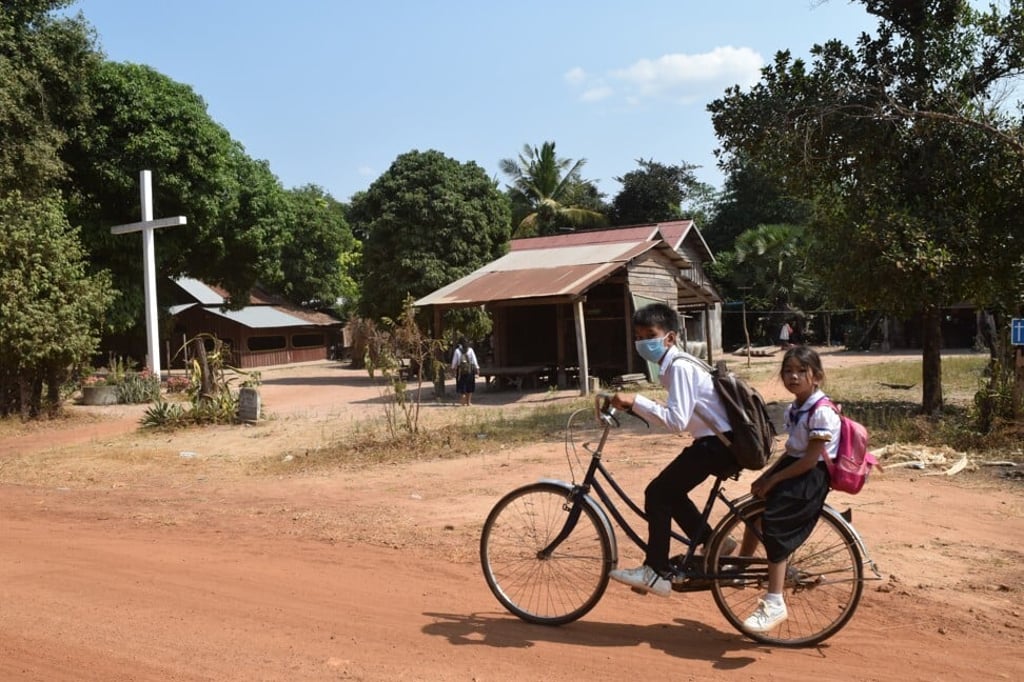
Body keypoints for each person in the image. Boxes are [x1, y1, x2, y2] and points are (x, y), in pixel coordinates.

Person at [607, 303, 740, 598]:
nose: (644, 343)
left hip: (716, 444)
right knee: (669, 492)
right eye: (639, 336)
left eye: (650, 335)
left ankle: (655, 571)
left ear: (669, 337)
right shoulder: (678, 365)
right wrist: (636, 405)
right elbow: (678, 415)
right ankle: (713, 540)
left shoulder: (679, 367)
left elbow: (676, 421)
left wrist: (636, 401)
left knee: (657, 494)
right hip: (717, 442)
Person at [737, 345, 841, 632]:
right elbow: (792, 450)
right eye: (787, 371)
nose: (793, 377)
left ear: (816, 376)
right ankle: (742, 566)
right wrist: (768, 476)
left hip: (812, 476)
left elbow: (809, 459)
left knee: (775, 524)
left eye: (800, 371)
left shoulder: (821, 411)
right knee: (752, 507)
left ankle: (774, 601)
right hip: (795, 467)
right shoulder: (797, 407)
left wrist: (775, 480)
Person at [450, 336, 479, 406]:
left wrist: (453, 368)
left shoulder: (457, 350)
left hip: (460, 371)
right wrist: (477, 369)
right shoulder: (470, 350)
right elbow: (474, 360)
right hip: (470, 370)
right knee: (470, 385)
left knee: (462, 384)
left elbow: (454, 362)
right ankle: (468, 402)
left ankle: (463, 398)